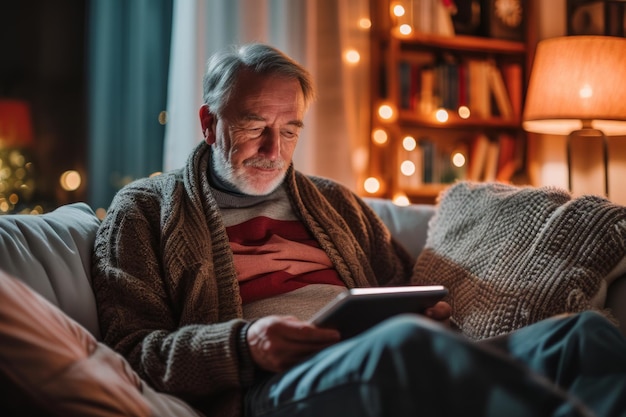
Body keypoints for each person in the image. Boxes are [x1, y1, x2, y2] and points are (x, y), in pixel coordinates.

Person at [91, 43, 626, 417]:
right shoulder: (145, 211)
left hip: (396, 355)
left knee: (583, 336)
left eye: (289, 129)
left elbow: (396, 285)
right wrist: (243, 345)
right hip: (273, 389)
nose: (274, 151)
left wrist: (427, 309)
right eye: (255, 128)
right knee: (403, 344)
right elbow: (130, 351)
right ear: (210, 123)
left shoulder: (334, 202)